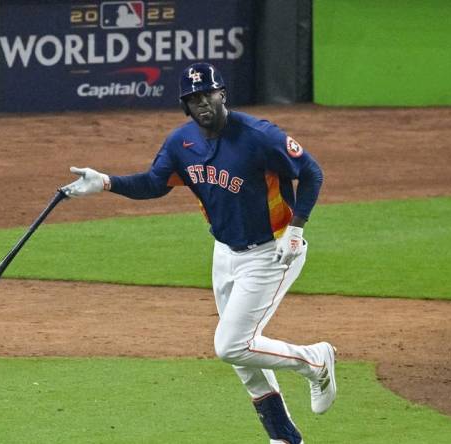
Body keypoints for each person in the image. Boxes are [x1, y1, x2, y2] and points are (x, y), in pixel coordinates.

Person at [62, 62, 334, 444]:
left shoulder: (260, 136)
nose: (201, 102)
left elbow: (312, 172)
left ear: (222, 94)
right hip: (224, 253)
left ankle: (315, 360)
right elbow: (154, 184)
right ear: (185, 106)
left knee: (232, 345)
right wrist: (107, 182)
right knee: (242, 356)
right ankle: (284, 438)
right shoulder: (180, 143)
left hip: (271, 252)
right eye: (192, 98)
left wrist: (296, 226)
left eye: (207, 93)